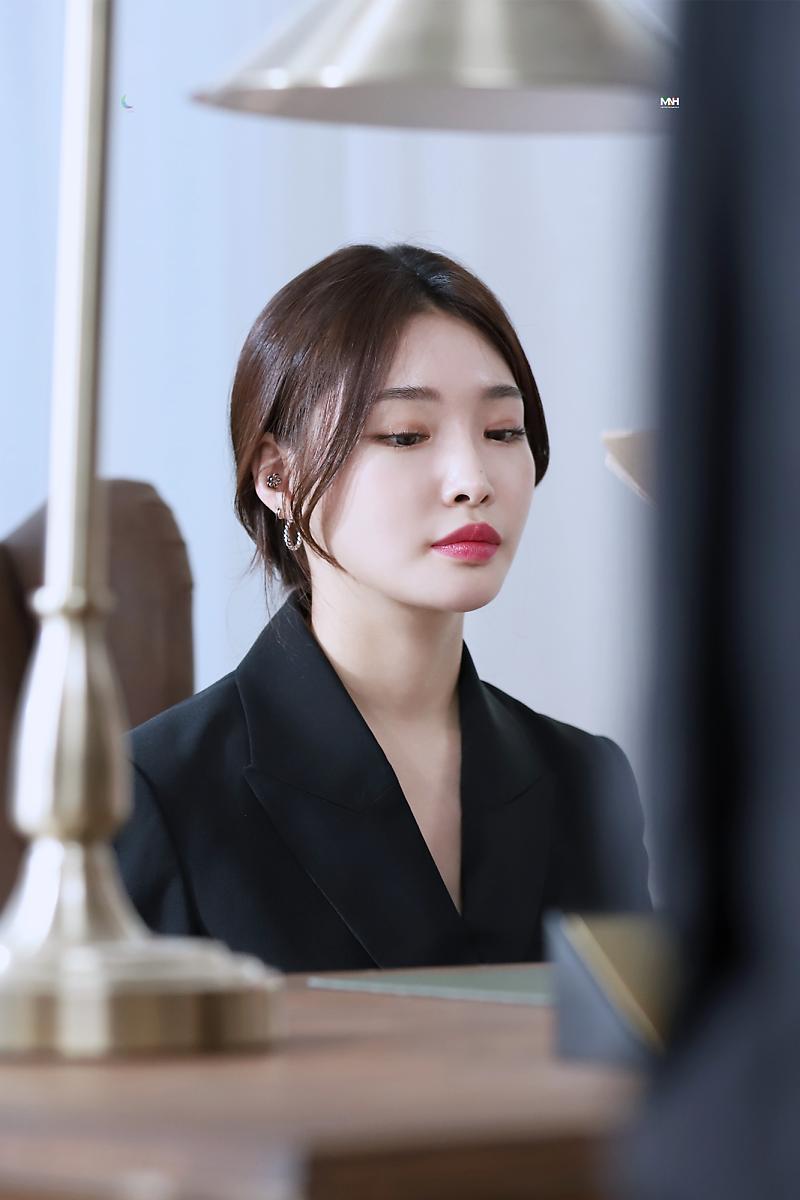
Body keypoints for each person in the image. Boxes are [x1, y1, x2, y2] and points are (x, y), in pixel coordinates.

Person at [115, 243, 650, 973]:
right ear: (278, 478)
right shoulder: (153, 792)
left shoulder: (587, 781)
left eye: (502, 431)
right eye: (405, 435)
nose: (472, 480)